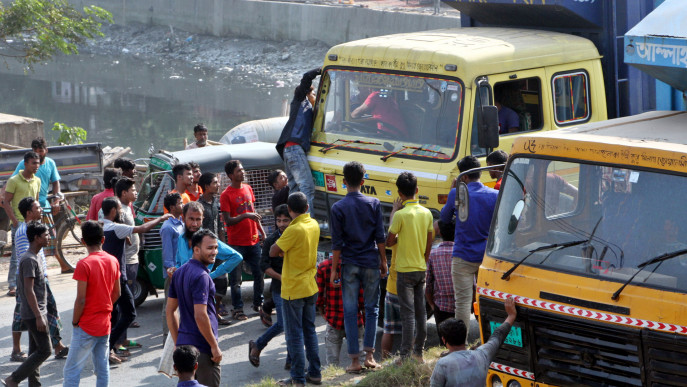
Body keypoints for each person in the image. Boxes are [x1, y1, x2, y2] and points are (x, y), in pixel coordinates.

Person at [329, 161, 386, 372]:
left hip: (349, 264)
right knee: (372, 310)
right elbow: (380, 236)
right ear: (363, 181)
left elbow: (337, 243)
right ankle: (369, 357)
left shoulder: (338, 207)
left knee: (350, 312)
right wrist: (383, 260)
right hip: (371, 262)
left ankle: (354, 361)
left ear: (344, 182)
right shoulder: (374, 203)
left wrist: (335, 269)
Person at [101, 196, 171, 363]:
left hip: (107, 277)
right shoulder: (117, 228)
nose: (121, 213)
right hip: (118, 278)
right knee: (130, 313)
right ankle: (109, 347)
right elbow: (144, 228)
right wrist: (161, 218)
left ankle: (109, 348)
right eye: (119, 210)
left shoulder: (102, 225)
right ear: (113, 211)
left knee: (114, 315)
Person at [440, 156, 498, 342]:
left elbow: (444, 218)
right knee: (488, 301)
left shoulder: (457, 194)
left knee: (463, 303)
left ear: (463, 177)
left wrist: (452, 192)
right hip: (486, 257)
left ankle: (460, 344)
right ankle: (487, 341)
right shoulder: (494, 195)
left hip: (463, 256)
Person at [269, 192, 321, 386]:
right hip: (310, 286)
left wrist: (285, 250)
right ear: (307, 208)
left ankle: (297, 379)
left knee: (295, 335)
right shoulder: (313, 224)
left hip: (293, 289)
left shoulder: (293, 229)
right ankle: (315, 373)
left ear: (290, 211)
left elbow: (273, 250)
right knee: (310, 331)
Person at [62, 221, 121, 387]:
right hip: (105, 323)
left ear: (83, 241)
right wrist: (105, 306)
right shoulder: (113, 260)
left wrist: (75, 321)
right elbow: (117, 293)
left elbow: (81, 299)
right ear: (103, 239)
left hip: (86, 324)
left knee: (71, 370)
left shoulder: (84, 264)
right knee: (102, 367)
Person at [11, 197, 69, 363]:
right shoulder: (25, 233)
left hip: (39, 277)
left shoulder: (35, 229)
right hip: (29, 280)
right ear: (28, 213)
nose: (41, 209)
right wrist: (36, 279)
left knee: (49, 310)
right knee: (21, 314)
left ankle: (58, 345)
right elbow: (27, 260)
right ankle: (16, 350)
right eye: (37, 208)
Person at [166, 229, 224, 387]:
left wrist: (179, 343)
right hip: (203, 349)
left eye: (216, 247)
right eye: (210, 248)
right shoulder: (201, 276)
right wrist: (214, 346)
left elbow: (170, 311)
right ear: (196, 249)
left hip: (186, 347)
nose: (214, 252)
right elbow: (200, 315)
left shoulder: (179, 273)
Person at [386, 172, 434, 362]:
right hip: (420, 268)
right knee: (421, 312)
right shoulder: (427, 213)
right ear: (417, 190)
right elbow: (429, 242)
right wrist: (424, 260)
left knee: (408, 315)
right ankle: (419, 353)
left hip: (403, 271)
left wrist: (397, 236)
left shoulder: (400, 215)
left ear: (399, 192)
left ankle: (405, 354)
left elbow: (389, 241)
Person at [174, 201, 243, 326]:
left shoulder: (207, 239)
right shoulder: (181, 238)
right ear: (183, 218)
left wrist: (213, 274)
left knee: (204, 329)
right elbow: (179, 263)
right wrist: (175, 271)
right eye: (191, 219)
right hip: (184, 293)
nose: (194, 224)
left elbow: (236, 257)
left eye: (198, 219)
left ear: (203, 219)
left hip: (202, 291)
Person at [4, 222, 52, 387]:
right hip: (33, 313)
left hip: (38, 310)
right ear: (37, 238)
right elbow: (28, 290)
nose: (49, 237)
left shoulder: (37, 255)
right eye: (46, 235)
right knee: (45, 350)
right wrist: (39, 316)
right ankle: (13, 379)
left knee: (34, 351)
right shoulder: (28, 259)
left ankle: (35, 384)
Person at [430, 297, 517, 387]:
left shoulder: (443, 364)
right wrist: (511, 316)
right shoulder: (482, 355)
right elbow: (498, 335)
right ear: (464, 336)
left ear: (444, 340)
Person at [220, 160, 265, 321]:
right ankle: (238, 308)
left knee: (260, 272)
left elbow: (254, 213)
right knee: (235, 279)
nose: (243, 172)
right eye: (239, 170)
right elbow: (228, 221)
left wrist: (262, 233)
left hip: (253, 241)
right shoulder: (226, 195)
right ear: (231, 175)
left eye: (243, 169)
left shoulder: (248, 188)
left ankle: (258, 304)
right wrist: (246, 215)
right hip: (236, 243)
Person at [248, 204, 292, 369]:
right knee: (283, 323)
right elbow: (264, 265)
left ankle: (290, 358)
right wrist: (282, 278)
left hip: (297, 288)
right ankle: (258, 345)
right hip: (279, 289)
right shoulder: (271, 241)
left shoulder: (298, 236)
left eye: (285, 220)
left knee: (293, 324)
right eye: (279, 220)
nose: (281, 224)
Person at [275, 68, 321, 214]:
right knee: (307, 188)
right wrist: (320, 70)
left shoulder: (310, 111)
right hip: (294, 148)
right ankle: (309, 223)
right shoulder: (300, 101)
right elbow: (306, 77)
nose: (315, 96)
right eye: (313, 94)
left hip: (290, 150)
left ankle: (294, 221)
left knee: (294, 189)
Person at [3, 151, 41, 297]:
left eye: (37, 163)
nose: (36, 166)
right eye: (33, 163)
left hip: (33, 224)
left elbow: (36, 201)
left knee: (36, 251)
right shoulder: (14, 181)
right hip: (19, 224)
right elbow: (5, 201)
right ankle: (12, 284)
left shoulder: (37, 180)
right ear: (25, 164)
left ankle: (36, 276)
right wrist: (15, 221)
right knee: (17, 255)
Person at [316, 255, 365, 367]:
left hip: (333, 319)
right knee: (361, 360)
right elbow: (362, 294)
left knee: (332, 364)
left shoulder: (324, 266)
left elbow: (319, 293)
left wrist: (321, 309)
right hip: (355, 319)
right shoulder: (357, 265)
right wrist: (363, 311)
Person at [197, 172, 227, 316]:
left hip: (217, 246)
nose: (218, 185)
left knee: (222, 279)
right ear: (206, 186)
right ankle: (211, 313)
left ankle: (216, 308)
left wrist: (223, 244)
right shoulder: (199, 205)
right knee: (206, 282)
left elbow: (220, 224)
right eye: (215, 183)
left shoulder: (216, 201)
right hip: (205, 248)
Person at [426, 220, 456, 343]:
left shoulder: (433, 254)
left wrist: (432, 305)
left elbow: (427, 284)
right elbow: (473, 283)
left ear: (441, 234)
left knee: (445, 343)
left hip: (441, 306)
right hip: (461, 305)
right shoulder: (462, 253)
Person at [11, 138, 61, 209]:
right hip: (28, 205)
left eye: (41, 151)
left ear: (46, 150)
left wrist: (57, 201)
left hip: (44, 203)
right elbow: (11, 181)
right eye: (35, 151)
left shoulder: (50, 163)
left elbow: (56, 182)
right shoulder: (24, 163)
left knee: (49, 220)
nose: (38, 154)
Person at [161, 192, 185, 342]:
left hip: (183, 271)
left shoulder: (182, 223)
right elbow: (167, 255)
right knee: (169, 308)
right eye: (180, 203)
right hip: (173, 274)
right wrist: (172, 273)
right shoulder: (168, 227)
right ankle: (167, 338)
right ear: (172, 207)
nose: (183, 205)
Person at [381, 244, 402, 360]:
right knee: (413, 329)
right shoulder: (421, 230)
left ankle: (384, 362)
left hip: (392, 287)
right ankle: (409, 360)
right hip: (409, 288)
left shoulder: (394, 236)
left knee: (388, 329)